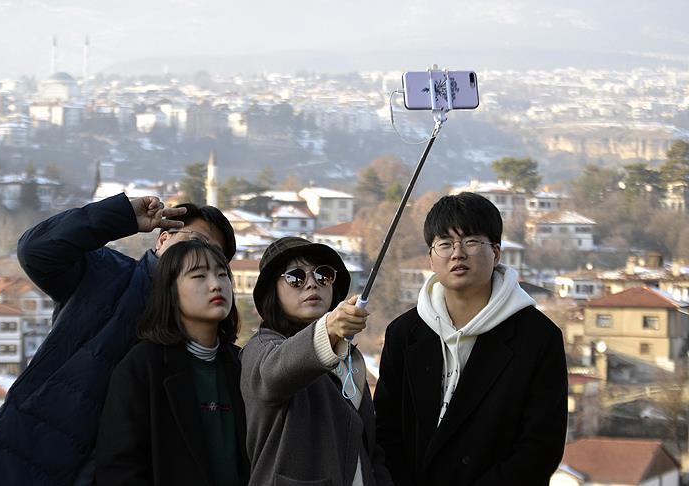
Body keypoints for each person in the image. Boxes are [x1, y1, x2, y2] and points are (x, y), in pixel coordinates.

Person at [0, 193, 236, 486]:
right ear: (163, 239)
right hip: (31, 459)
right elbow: (36, 250)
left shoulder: (205, 343)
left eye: (216, 258)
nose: (201, 258)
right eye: (196, 241)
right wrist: (122, 215)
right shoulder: (106, 274)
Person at [374, 192, 568, 485]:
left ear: (496, 252)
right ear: (431, 258)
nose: (457, 253)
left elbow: (540, 448)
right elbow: (386, 433)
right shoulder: (404, 333)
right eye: (445, 244)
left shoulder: (537, 338)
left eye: (471, 241)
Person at [240, 236, 393, 486]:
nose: (311, 284)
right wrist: (328, 330)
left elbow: (369, 448)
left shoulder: (349, 357)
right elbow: (274, 374)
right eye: (295, 277)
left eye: (323, 275)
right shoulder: (261, 348)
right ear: (273, 291)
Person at [95, 239, 248, 485]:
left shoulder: (242, 363)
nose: (216, 285)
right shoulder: (143, 365)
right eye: (199, 276)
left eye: (222, 275)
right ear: (171, 291)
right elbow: (119, 465)